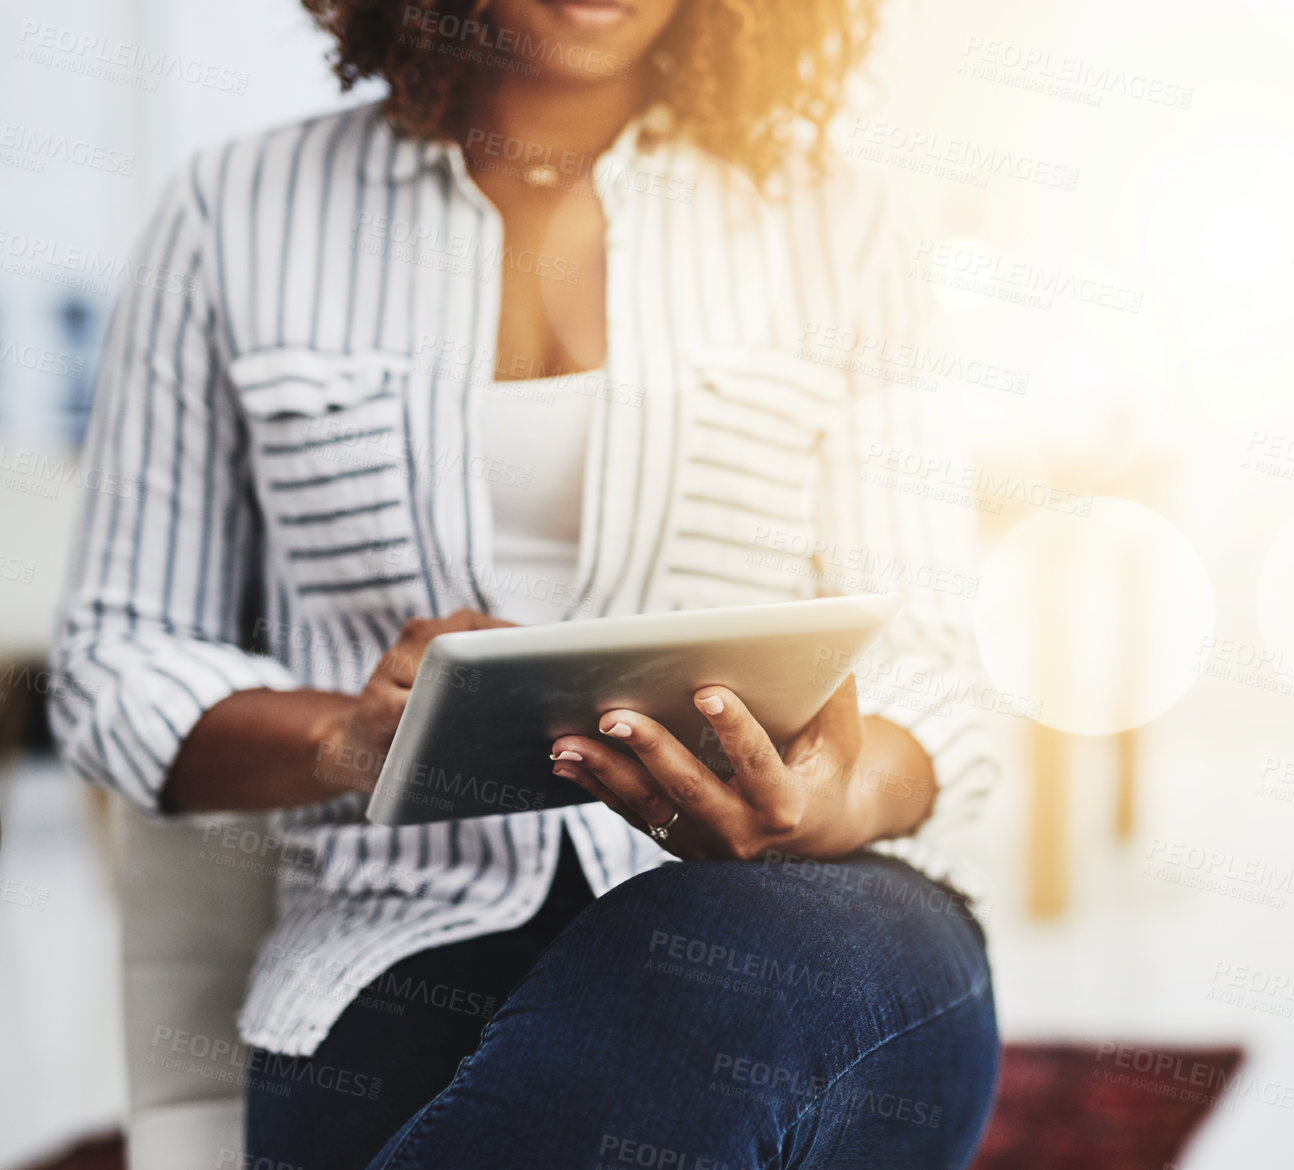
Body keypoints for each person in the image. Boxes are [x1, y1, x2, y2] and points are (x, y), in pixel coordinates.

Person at [48, 0, 1002, 1167]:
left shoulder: (839, 225)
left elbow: (940, 672)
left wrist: (832, 800)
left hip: (802, 923)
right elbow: (116, 660)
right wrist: (344, 742)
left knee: (702, 957)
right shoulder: (234, 212)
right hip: (387, 956)